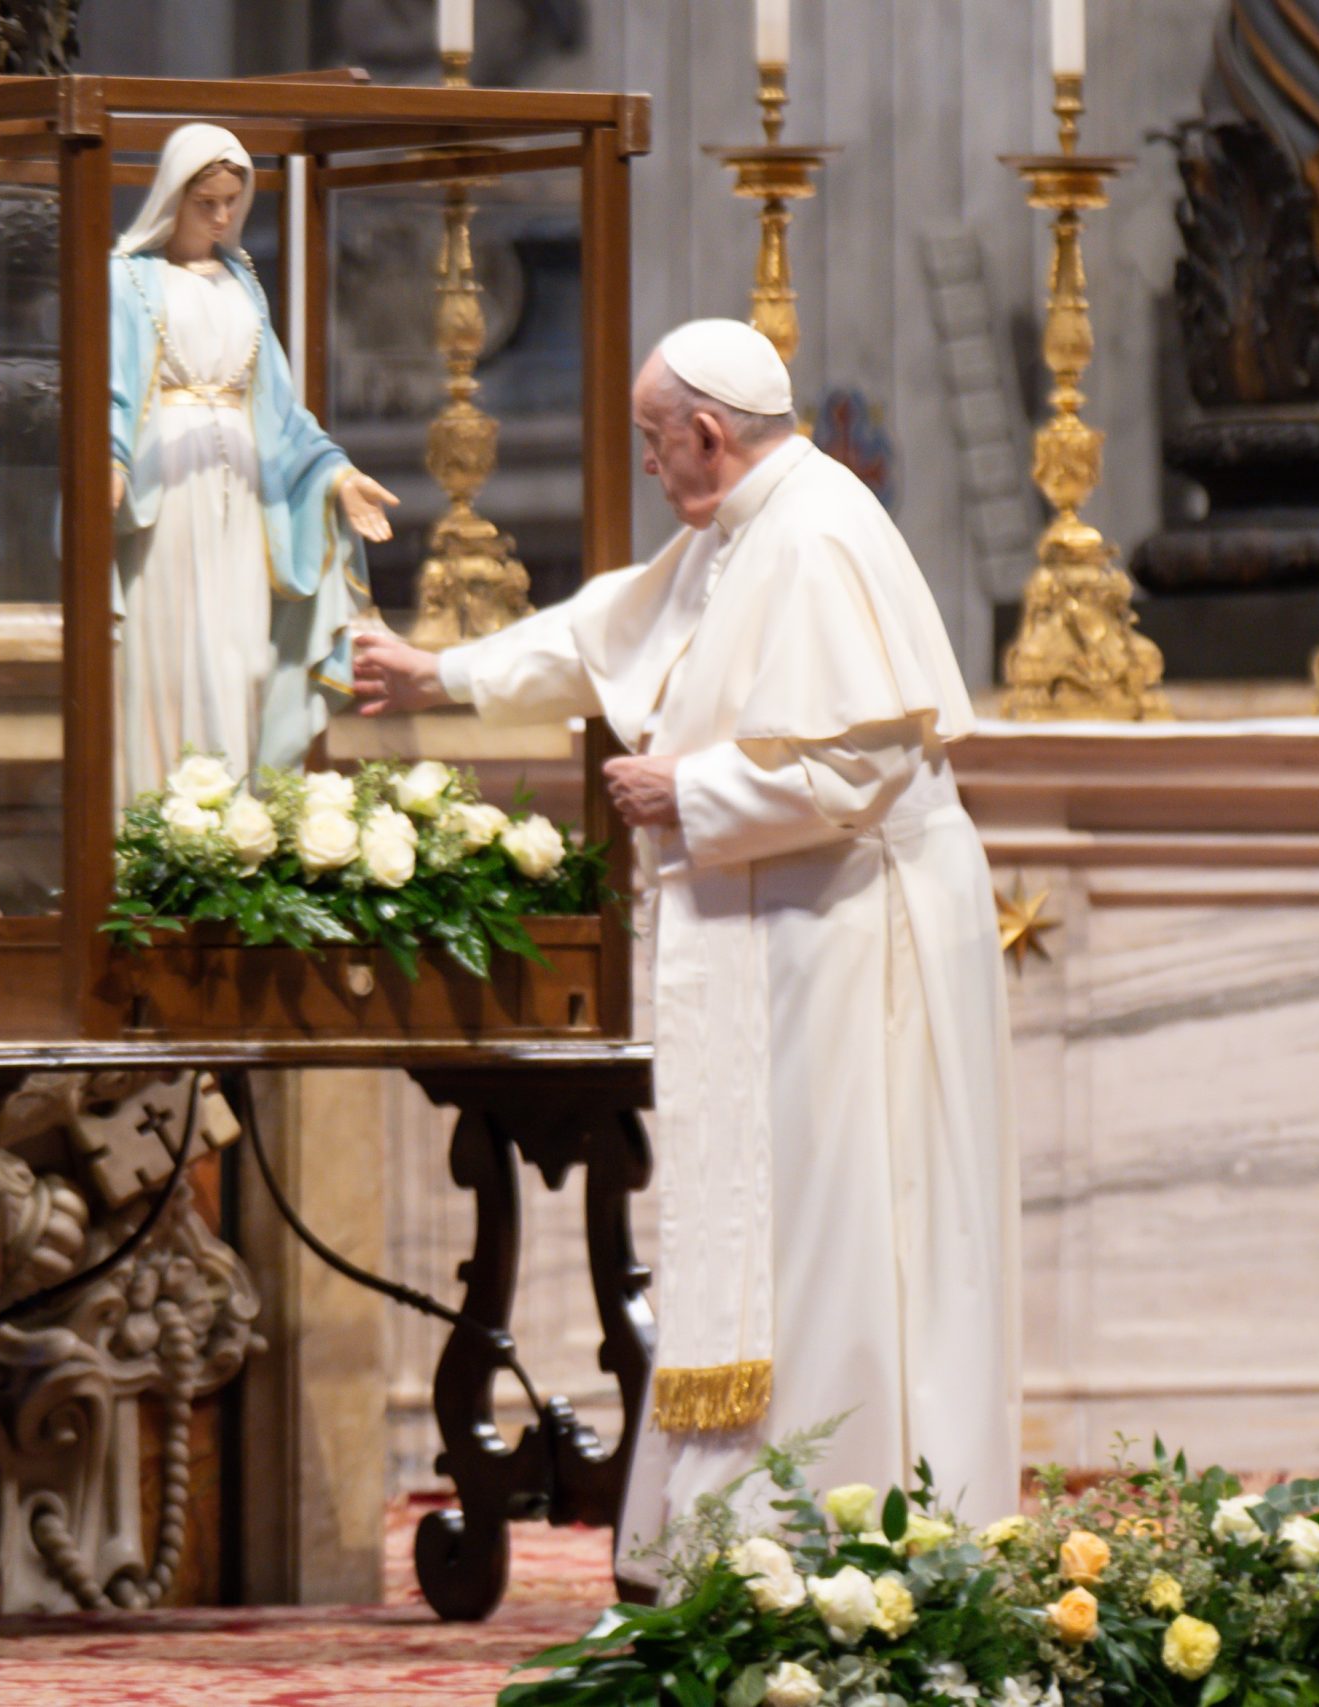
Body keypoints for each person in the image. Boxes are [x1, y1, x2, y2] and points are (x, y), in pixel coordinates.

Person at [354, 319, 1018, 1579]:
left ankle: (845, 1547)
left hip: (856, 943)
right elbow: (606, 632)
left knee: (840, 1233)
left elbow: (865, 759)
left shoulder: (819, 534)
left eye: (658, 445)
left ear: (708, 434)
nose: (652, 470)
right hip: (792, 929)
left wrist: (690, 794)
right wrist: (441, 673)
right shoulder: (738, 531)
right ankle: (744, 1542)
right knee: (783, 1237)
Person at [109, 124, 399, 799]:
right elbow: (110, 386)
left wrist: (338, 474)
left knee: (240, 654)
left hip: (245, 496)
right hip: (168, 493)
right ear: (172, 197)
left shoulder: (242, 281)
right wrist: (111, 461)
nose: (219, 217)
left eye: (231, 202)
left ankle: (232, 811)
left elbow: (281, 409)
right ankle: (157, 818)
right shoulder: (127, 278)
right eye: (205, 201)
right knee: (171, 655)